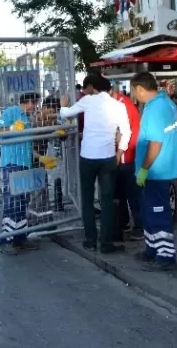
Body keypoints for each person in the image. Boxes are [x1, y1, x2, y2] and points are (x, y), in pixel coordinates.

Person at [60, 75, 131, 254]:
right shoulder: (119, 105)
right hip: (108, 157)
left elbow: (65, 113)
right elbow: (126, 132)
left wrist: (63, 104)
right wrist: (119, 152)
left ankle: (90, 240)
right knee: (107, 201)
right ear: (109, 89)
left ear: (94, 88)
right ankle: (106, 244)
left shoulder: (88, 101)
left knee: (87, 200)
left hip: (88, 157)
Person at [131, 72, 177, 272]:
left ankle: (166, 256)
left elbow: (155, 144)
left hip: (156, 170)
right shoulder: (164, 102)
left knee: (158, 213)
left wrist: (143, 169)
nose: (134, 95)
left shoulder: (155, 108)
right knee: (149, 212)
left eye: (134, 91)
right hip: (160, 169)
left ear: (141, 89)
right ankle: (152, 250)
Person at [0, 92, 50, 255]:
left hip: (24, 164)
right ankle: (5, 240)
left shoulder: (26, 118)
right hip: (11, 163)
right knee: (12, 201)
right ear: (29, 102)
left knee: (22, 202)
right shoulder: (10, 112)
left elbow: (26, 145)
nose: (36, 107)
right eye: (35, 104)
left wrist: (41, 157)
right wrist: (11, 128)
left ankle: (20, 238)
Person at [110, 85, 143, 241]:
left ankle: (140, 226)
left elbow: (128, 132)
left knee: (132, 193)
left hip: (126, 155)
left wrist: (121, 150)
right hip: (123, 154)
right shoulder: (121, 103)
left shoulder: (123, 105)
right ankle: (122, 222)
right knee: (121, 192)